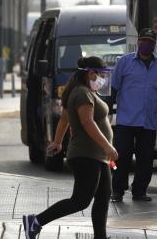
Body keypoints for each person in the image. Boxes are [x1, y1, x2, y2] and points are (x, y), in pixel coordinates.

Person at [23, 56, 118, 239]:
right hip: (86, 155)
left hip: (97, 156)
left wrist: (58, 142)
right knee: (80, 201)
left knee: (103, 196)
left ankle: (101, 236)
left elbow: (65, 118)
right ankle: (35, 221)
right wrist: (107, 146)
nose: (103, 79)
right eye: (101, 75)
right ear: (90, 73)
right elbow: (88, 122)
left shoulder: (82, 91)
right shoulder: (82, 93)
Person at [110, 28, 157, 202]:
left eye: (150, 42)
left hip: (148, 122)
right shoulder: (124, 62)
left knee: (145, 160)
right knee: (121, 157)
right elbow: (113, 88)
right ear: (138, 42)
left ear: (154, 45)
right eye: (143, 40)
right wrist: (108, 111)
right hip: (126, 120)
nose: (146, 44)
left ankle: (139, 191)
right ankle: (117, 190)